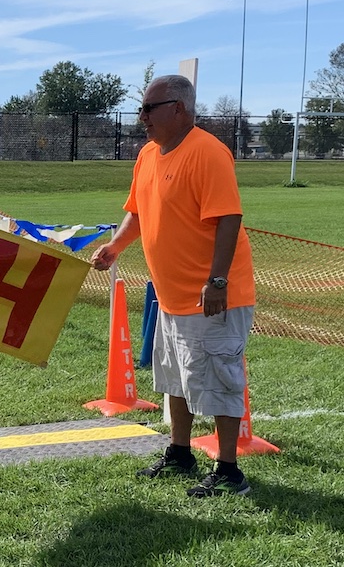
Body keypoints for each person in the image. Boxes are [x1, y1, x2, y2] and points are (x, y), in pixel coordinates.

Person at [90, 74, 255, 498]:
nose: (141, 117)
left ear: (178, 109)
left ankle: (229, 471)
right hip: (171, 296)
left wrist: (216, 281)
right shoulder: (147, 155)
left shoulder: (208, 152)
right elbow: (138, 212)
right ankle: (180, 453)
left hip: (212, 296)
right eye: (142, 109)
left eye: (149, 108)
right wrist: (114, 247)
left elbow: (228, 218)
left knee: (219, 379)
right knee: (175, 380)